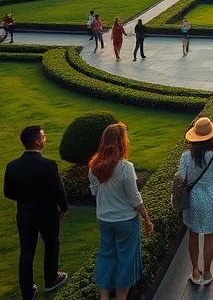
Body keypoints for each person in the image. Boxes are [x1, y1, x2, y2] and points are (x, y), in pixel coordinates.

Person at [3, 125, 69, 300]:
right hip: (47, 214)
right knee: (52, 245)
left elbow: (8, 192)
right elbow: (58, 191)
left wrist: (26, 201)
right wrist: (63, 208)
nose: (45, 139)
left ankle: (27, 291)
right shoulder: (48, 165)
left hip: (25, 215)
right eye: (44, 137)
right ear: (37, 142)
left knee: (26, 251)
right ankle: (51, 279)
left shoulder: (12, 166)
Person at [88, 123, 153, 300]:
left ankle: (104, 297)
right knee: (126, 259)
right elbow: (134, 199)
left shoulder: (94, 166)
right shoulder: (125, 167)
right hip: (125, 221)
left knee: (106, 256)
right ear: (121, 141)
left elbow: (94, 192)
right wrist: (147, 218)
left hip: (104, 220)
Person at [177, 117, 213, 286]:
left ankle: (195, 271)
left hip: (194, 199)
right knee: (209, 234)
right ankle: (207, 272)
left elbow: (182, 178)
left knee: (193, 233)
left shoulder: (186, 157)